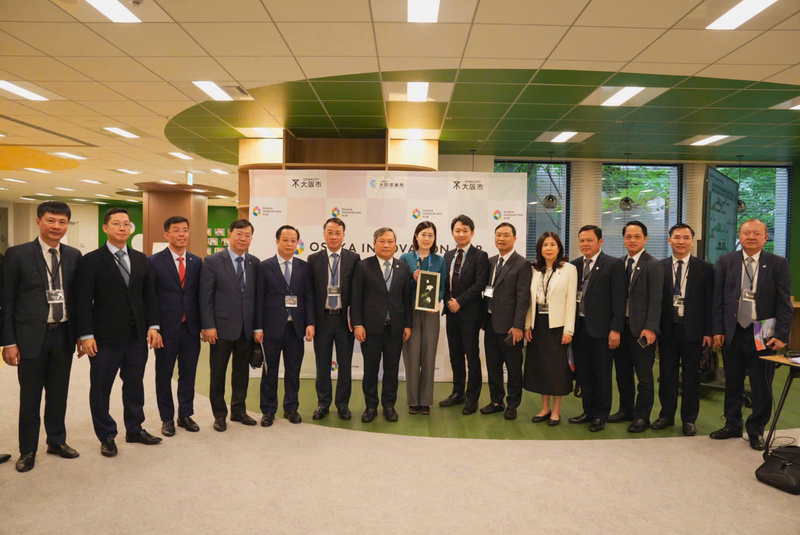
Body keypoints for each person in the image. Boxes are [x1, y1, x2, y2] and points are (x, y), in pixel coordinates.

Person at [75, 207, 163, 457]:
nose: (122, 228)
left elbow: (149, 297)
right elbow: (82, 301)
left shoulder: (140, 259)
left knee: (134, 385)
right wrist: (86, 335)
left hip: (136, 336)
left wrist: (154, 326)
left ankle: (134, 429)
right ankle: (106, 435)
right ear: (105, 228)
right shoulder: (91, 260)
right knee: (101, 388)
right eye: (116, 224)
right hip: (104, 338)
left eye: (126, 224)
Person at [2, 201, 82, 472]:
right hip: (30, 337)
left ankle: (56, 441)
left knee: (59, 394)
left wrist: (81, 335)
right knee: (30, 397)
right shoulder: (18, 254)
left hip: (63, 334)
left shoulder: (73, 255)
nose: (56, 226)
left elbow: (78, 299)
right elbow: (7, 301)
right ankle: (28, 449)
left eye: (62, 222)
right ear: (38, 221)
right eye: (51, 220)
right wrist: (9, 341)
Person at [710, 219, 792, 450]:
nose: (751, 237)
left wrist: (782, 334)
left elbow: (784, 303)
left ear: (766, 237)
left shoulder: (777, 264)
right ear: (740, 236)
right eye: (746, 233)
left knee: (761, 384)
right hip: (733, 331)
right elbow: (718, 299)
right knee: (732, 382)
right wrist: (717, 329)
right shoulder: (727, 261)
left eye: (757, 233)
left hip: (763, 333)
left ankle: (756, 430)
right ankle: (732, 424)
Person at [199, 219, 259, 432]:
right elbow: (205, 297)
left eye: (247, 235)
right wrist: (208, 325)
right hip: (220, 328)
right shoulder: (213, 261)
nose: (243, 239)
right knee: (218, 373)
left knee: (241, 372)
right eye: (239, 234)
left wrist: (257, 327)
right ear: (230, 235)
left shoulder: (254, 263)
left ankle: (238, 410)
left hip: (246, 328)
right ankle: (219, 414)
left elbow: (256, 298)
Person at [655, 223, 714, 436]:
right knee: (667, 374)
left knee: (692, 376)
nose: (681, 241)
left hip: (694, 331)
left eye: (686, 237)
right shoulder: (659, 266)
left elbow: (710, 302)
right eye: (677, 237)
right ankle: (666, 415)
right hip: (667, 330)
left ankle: (689, 419)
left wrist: (709, 331)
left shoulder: (705, 268)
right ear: (669, 240)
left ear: (692, 241)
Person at [254, 225, 314, 426]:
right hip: (270, 330)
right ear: (277, 241)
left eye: (293, 240)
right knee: (269, 372)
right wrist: (258, 327)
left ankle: (291, 408)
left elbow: (308, 297)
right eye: (285, 240)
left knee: (293, 371)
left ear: (297, 243)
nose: (289, 244)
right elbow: (258, 299)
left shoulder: (304, 267)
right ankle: (268, 410)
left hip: (295, 329)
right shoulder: (264, 267)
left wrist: (310, 323)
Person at [568, 225, 626, 432]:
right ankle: (588, 410)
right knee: (584, 372)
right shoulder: (574, 266)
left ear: (600, 242)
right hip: (579, 328)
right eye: (582, 240)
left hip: (603, 330)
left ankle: (601, 415)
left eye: (589, 240)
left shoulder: (613, 264)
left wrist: (616, 329)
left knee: (602, 373)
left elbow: (619, 300)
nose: (585, 244)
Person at [351, 227, 413, 423]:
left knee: (391, 370)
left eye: (390, 241)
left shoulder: (403, 268)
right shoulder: (363, 266)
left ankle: (389, 406)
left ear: (396, 245)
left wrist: (408, 325)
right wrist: (357, 324)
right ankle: (370, 407)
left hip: (395, 328)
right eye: (382, 241)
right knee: (370, 370)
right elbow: (356, 298)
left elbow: (406, 299)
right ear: (374, 244)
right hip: (370, 329)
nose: (386, 245)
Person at [148, 216, 202, 437]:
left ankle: (185, 414)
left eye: (185, 230)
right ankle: (167, 418)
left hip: (190, 327)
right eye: (176, 230)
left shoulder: (197, 261)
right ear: (166, 234)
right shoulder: (154, 261)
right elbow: (150, 297)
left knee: (188, 374)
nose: (182, 234)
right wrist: (154, 327)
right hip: (165, 329)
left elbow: (199, 296)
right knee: (164, 375)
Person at [608, 221, 663, 433]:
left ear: (645, 239)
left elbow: (656, 300)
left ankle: (642, 417)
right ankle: (626, 410)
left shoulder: (653, 265)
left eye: (637, 236)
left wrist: (651, 328)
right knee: (622, 374)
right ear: (623, 239)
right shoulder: (619, 264)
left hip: (642, 331)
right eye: (628, 236)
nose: (632, 240)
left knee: (644, 376)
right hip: (621, 329)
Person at [307, 218, 360, 421]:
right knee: (322, 364)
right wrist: (311, 322)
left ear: (344, 235)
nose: (334, 237)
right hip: (323, 319)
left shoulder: (353, 258)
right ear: (324, 234)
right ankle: (323, 403)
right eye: (330, 232)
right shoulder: (314, 259)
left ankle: (343, 404)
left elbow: (357, 294)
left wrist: (356, 321)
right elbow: (309, 294)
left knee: (345, 364)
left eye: (338, 233)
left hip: (344, 320)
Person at [523, 232, 577, 426]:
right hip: (538, 325)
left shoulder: (569, 269)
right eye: (545, 244)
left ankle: (556, 411)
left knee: (557, 370)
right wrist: (527, 325)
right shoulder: (534, 270)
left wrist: (569, 330)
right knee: (541, 368)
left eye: (552, 244)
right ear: (540, 248)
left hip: (558, 326)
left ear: (559, 248)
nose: (549, 248)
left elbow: (571, 301)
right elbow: (529, 301)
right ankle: (545, 408)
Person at [439, 215, 489, 415]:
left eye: (465, 231)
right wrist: (448, 301)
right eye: (457, 230)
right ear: (452, 233)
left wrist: (459, 302)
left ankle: (472, 398)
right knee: (455, 356)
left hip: (470, 314)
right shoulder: (448, 255)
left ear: (472, 233)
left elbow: (480, 284)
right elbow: (444, 282)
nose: (461, 234)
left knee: (472, 356)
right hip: (451, 313)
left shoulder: (480, 256)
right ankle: (457, 392)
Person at [481, 222, 531, 420]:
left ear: (514, 238)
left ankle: (512, 404)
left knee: (513, 368)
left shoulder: (522, 264)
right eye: (498, 235)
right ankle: (496, 401)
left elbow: (523, 298)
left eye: (506, 235)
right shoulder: (491, 261)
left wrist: (518, 326)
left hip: (510, 328)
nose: (501, 239)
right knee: (493, 366)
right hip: (490, 323)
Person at [400, 221, 448, 415]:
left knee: (428, 355)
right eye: (423, 234)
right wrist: (413, 279)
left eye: (430, 235)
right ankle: (413, 400)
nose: (427, 238)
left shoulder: (440, 260)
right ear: (416, 236)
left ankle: (425, 400)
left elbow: (442, 286)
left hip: (430, 312)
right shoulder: (405, 258)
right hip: (410, 310)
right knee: (411, 356)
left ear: (434, 238)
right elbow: (401, 287)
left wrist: (437, 300)